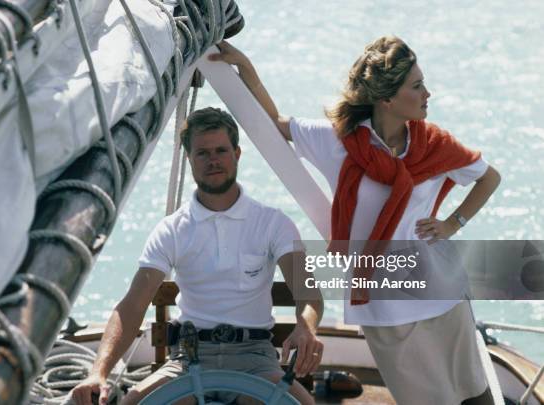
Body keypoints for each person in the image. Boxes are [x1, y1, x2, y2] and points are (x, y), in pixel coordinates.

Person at [210, 36, 501, 405]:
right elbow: (275, 123)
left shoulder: (434, 144)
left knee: (479, 399)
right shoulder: (337, 143)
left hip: (443, 294)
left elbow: (488, 176)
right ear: (387, 99)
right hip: (385, 306)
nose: (428, 93)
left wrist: (452, 223)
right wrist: (247, 69)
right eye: (417, 85)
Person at [71, 107, 324, 405]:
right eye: (202, 153)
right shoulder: (171, 230)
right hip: (188, 357)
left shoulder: (273, 222)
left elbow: (308, 292)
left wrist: (306, 328)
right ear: (189, 159)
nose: (213, 160)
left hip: (255, 358)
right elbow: (132, 305)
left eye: (221, 150)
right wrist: (98, 372)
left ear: (237, 154)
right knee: (131, 403)